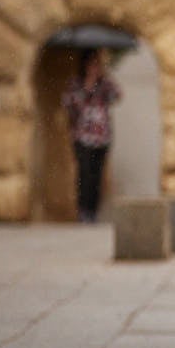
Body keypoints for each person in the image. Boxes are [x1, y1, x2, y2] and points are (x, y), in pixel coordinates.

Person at [62, 48, 121, 223]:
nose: (94, 67)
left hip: (102, 137)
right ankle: (83, 210)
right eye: (91, 63)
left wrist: (104, 77)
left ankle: (93, 212)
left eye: (97, 64)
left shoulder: (104, 84)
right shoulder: (76, 84)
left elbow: (118, 94)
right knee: (84, 174)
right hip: (81, 136)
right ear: (85, 65)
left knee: (96, 176)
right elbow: (67, 102)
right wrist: (85, 90)